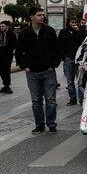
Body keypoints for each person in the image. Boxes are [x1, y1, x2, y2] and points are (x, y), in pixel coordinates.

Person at [15, 7, 61, 135]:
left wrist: (53, 65)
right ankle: (39, 124)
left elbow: (56, 50)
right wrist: (25, 67)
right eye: (39, 15)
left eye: (43, 15)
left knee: (51, 99)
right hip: (32, 72)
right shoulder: (24, 34)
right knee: (36, 100)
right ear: (32, 17)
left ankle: (51, 124)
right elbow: (19, 53)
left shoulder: (49, 31)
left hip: (48, 71)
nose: (42, 17)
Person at [58, 17, 87, 106]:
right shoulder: (63, 32)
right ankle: (72, 99)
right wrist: (63, 57)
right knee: (70, 81)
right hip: (68, 59)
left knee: (80, 80)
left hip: (78, 60)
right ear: (68, 23)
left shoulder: (79, 32)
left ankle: (81, 99)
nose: (74, 24)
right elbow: (59, 45)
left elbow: (85, 42)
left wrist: (78, 31)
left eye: (75, 22)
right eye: (72, 22)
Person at [0, 20, 17, 94]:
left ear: (7, 27)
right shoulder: (0, 34)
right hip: (0, 55)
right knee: (1, 70)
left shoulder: (11, 34)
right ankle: (4, 84)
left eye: (3, 26)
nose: (1, 28)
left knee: (6, 70)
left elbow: (14, 44)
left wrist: (8, 51)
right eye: (0, 26)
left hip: (7, 56)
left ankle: (7, 85)